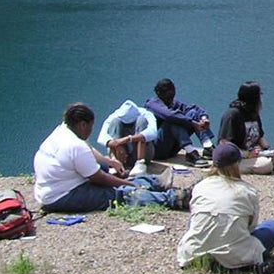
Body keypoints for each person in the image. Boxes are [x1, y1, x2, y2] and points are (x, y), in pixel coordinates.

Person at [34, 102, 190, 213]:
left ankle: (155, 183)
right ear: (82, 124)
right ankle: (173, 199)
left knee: (109, 173)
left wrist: (109, 161)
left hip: (52, 189)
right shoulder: (74, 145)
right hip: (61, 196)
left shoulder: (63, 131)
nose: (90, 130)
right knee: (118, 194)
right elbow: (100, 179)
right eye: (90, 126)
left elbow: (87, 149)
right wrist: (127, 184)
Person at [176, 141, 274, 272]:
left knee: (196, 219)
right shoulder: (248, 191)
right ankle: (229, 257)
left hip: (193, 253)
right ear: (237, 164)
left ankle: (206, 253)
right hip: (235, 256)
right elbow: (251, 227)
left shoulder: (200, 187)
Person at [218, 81, 274, 175]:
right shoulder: (232, 115)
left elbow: (260, 137)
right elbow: (224, 143)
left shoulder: (253, 113)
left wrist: (267, 150)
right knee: (265, 165)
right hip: (236, 158)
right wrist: (246, 154)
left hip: (255, 153)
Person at [145, 78, 214, 167]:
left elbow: (193, 108)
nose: (171, 99)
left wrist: (204, 118)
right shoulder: (152, 104)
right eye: (168, 96)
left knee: (192, 113)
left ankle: (208, 146)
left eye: (172, 96)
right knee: (173, 120)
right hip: (158, 149)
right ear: (159, 93)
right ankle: (191, 153)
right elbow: (169, 115)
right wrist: (193, 123)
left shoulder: (173, 103)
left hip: (172, 148)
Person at [96, 99, 158, 178]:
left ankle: (140, 163)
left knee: (142, 121)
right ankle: (115, 161)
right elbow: (101, 137)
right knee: (115, 122)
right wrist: (117, 144)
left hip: (141, 151)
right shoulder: (115, 115)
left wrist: (128, 139)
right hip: (122, 153)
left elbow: (153, 132)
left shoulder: (146, 114)